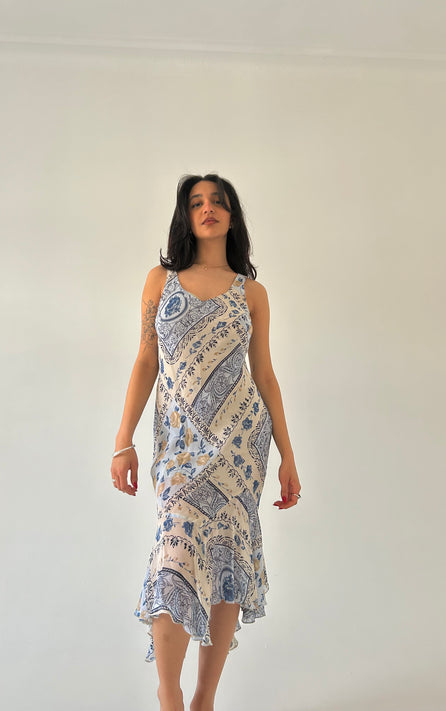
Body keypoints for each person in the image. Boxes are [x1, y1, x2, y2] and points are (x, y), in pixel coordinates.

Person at [110, 173, 301, 711]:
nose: (208, 209)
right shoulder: (161, 281)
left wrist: (287, 455)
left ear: (232, 216)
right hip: (179, 445)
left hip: (240, 447)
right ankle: (169, 694)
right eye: (196, 203)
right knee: (176, 548)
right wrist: (123, 440)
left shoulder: (252, 293)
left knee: (226, 560)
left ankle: (203, 699)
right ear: (185, 216)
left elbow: (265, 376)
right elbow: (146, 360)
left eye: (218, 201)